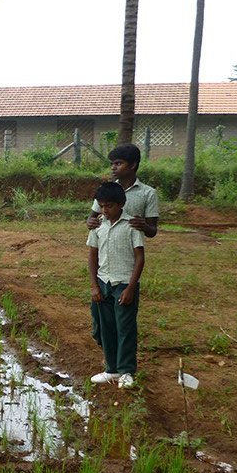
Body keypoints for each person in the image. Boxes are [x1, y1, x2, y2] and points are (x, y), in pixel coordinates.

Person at [87, 143, 158, 349]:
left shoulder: (147, 194)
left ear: (133, 165)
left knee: (123, 314)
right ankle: (105, 341)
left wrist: (144, 225)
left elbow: (153, 230)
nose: (113, 167)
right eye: (112, 164)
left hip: (127, 258)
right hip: (104, 258)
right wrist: (89, 222)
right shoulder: (108, 190)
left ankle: (121, 358)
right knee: (99, 313)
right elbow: (92, 218)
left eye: (118, 163)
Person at [87, 182, 145, 388]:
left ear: (121, 204)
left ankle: (126, 371)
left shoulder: (132, 226)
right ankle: (111, 369)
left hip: (124, 284)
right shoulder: (97, 226)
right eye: (101, 206)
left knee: (125, 328)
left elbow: (140, 258)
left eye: (109, 206)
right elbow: (92, 256)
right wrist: (94, 286)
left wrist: (131, 287)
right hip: (103, 282)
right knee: (106, 328)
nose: (104, 210)